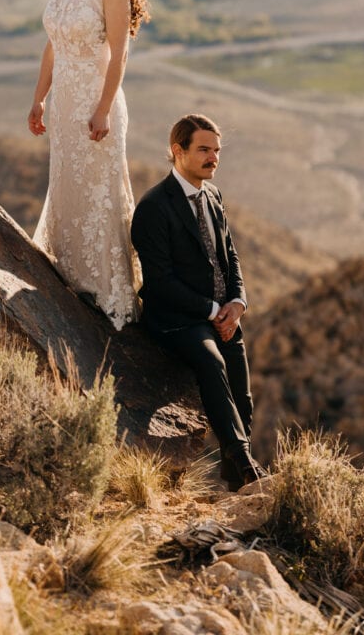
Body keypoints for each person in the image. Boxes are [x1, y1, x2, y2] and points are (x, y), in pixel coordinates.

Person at [29, 0, 149, 330]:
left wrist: (101, 110)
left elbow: (119, 56)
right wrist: (39, 98)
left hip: (97, 105)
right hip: (62, 103)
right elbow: (52, 45)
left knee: (101, 191)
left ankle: (110, 292)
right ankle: (72, 277)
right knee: (66, 184)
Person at [131, 113, 264, 489]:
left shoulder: (214, 195)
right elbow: (159, 282)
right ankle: (247, 467)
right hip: (176, 319)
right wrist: (211, 311)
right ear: (178, 151)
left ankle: (236, 480)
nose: (213, 157)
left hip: (221, 315)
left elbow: (231, 256)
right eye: (204, 149)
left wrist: (238, 302)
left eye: (217, 150)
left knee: (243, 397)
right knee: (211, 363)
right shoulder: (154, 207)